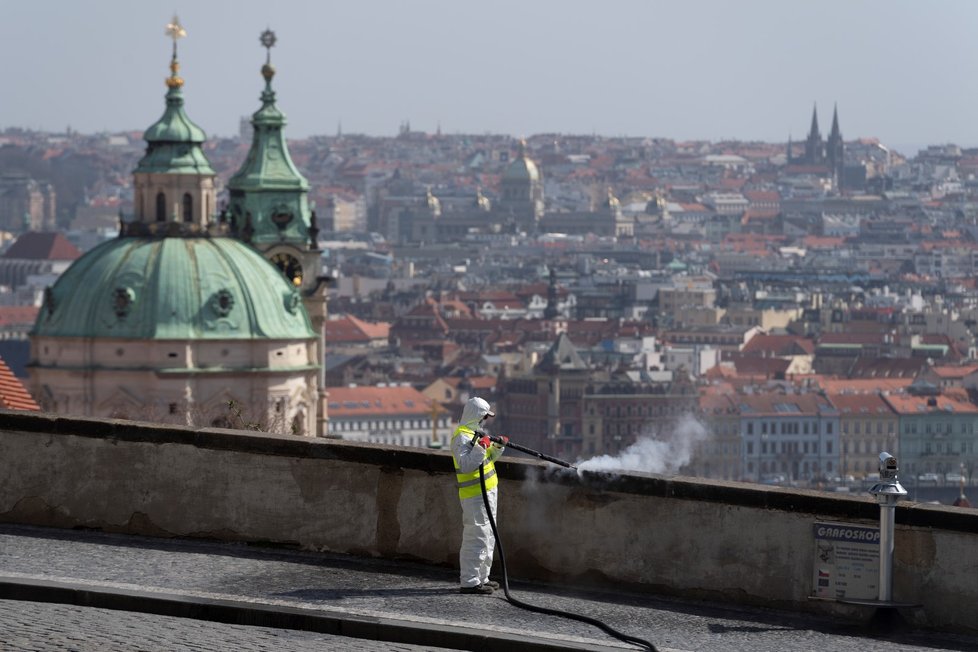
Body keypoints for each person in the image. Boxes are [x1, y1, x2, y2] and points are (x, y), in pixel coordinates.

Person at [451, 396, 508, 595]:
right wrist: (481, 447)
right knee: (476, 537)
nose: (486, 420)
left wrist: (498, 447)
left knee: (488, 536)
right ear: (477, 415)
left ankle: (483, 577)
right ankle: (470, 581)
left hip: (488, 492)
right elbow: (467, 465)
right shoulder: (462, 437)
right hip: (475, 495)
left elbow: (488, 458)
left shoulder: (475, 433)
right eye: (484, 416)